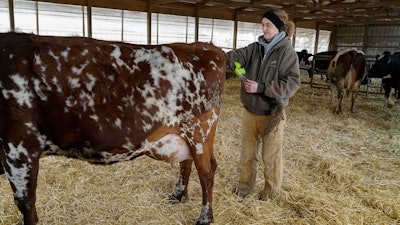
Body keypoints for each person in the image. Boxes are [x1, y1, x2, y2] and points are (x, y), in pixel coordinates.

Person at [227, 8, 300, 201]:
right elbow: (233, 57)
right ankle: (244, 188)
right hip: (250, 112)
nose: (264, 29)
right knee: (247, 155)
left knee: (271, 157)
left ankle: (270, 194)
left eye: (268, 25)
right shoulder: (255, 48)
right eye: (262, 24)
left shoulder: (287, 52)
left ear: (278, 27)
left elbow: (292, 84)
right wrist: (220, 57)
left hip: (273, 114)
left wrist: (261, 87)